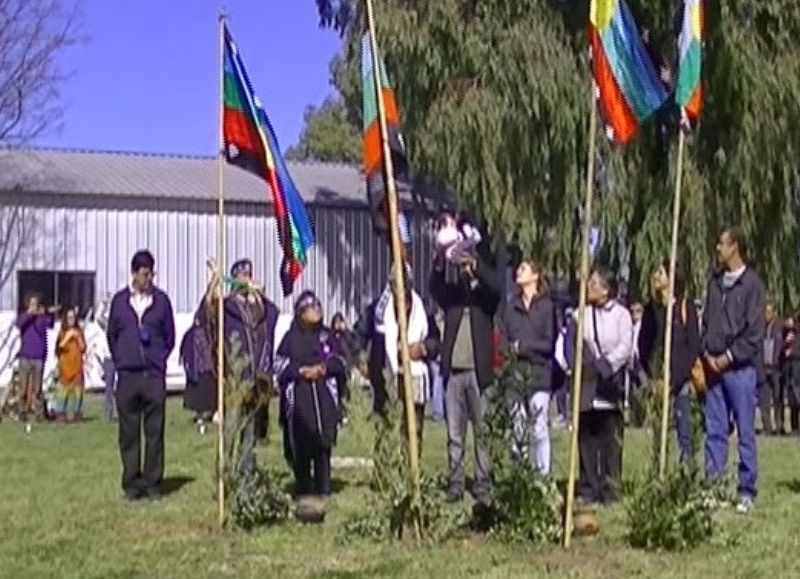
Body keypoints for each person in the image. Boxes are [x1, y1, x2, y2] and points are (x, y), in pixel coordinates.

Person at [430, 216, 500, 505]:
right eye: (459, 265)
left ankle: (483, 483)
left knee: (482, 434)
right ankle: (456, 484)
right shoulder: (453, 297)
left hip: (479, 373)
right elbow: (435, 287)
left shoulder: (486, 300)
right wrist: (439, 258)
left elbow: (496, 286)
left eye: (464, 264)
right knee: (454, 435)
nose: (461, 269)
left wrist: (476, 266)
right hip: (454, 375)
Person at [702, 227, 765, 514]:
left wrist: (729, 356)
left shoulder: (752, 285)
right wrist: (707, 352)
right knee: (715, 430)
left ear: (735, 247)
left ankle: (746, 490)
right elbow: (706, 322)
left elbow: (754, 333)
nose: (717, 248)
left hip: (740, 370)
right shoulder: (715, 284)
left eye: (722, 243)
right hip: (713, 367)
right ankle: (712, 487)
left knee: (745, 430)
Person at [108, 250, 176, 501]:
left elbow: (169, 337)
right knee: (128, 432)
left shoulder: (161, 302)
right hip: (128, 377)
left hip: (153, 377)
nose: (149, 278)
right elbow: (112, 335)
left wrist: (157, 360)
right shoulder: (119, 302)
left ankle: (153, 482)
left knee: (154, 431)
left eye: (152, 273)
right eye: (145, 274)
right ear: (135, 273)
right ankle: (132, 483)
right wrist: (123, 360)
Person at [202, 258, 279, 461]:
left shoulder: (258, 308)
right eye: (242, 276)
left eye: (248, 275)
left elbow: (273, 315)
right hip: (235, 378)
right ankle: (225, 473)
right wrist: (215, 282)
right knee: (231, 428)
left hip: (255, 380)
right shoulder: (227, 306)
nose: (247, 279)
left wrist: (260, 292)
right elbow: (208, 311)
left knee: (250, 432)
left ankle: (247, 478)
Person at [277, 291, 346, 497]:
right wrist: (300, 371)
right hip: (299, 396)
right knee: (301, 444)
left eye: (318, 305)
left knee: (323, 444)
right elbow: (279, 365)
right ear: (300, 313)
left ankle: (324, 487)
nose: (317, 309)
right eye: (311, 307)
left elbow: (340, 361)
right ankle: (303, 487)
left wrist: (324, 369)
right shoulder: (291, 338)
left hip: (323, 395)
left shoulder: (327, 335)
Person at [577, 266, 632, 506]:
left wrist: (607, 366)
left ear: (606, 289)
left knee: (610, 439)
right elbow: (574, 343)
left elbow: (625, 346)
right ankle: (589, 485)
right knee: (588, 438)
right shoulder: (582, 314)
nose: (589, 287)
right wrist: (582, 366)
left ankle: (611, 487)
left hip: (610, 385)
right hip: (588, 384)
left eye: (594, 284)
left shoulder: (621, 315)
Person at [638, 259, 702, 465]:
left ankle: (686, 474)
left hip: (680, 382)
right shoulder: (651, 311)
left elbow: (692, 347)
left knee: (685, 433)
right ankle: (657, 472)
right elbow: (643, 345)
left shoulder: (685, 308)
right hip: (657, 382)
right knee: (657, 433)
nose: (656, 276)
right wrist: (653, 377)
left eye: (661, 272)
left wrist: (673, 380)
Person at [499, 259, 556, 475]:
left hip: (539, 375)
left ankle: (543, 478)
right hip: (515, 375)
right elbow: (503, 339)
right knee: (518, 429)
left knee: (539, 428)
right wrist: (507, 351)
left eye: (523, 269)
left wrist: (523, 347)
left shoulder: (546, 307)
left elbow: (548, 343)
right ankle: (519, 477)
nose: (517, 272)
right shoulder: (511, 306)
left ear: (535, 275)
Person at [381, 269, 441, 458]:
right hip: (392, 375)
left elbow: (435, 341)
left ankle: (412, 468)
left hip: (415, 376)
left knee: (414, 427)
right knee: (391, 426)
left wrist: (423, 348)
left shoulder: (422, 308)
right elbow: (367, 336)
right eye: (394, 284)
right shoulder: (383, 310)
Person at [14, 295, 57, 427]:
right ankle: (22, 412)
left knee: (37, 389)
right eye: (32, 303)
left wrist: (50, 313)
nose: (34, 306)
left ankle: (39, 414)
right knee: (23, 388)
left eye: (36, 304)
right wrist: (31, 314)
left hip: (39, 357)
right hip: (25, 357)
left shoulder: (41, 318)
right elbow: (18, 324)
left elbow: (50, 324)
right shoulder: (24, 317)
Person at [180, 313, 215, 434]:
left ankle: (208, 415)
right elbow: (185, 351)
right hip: (198, 370)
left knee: (208, 395)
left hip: (207, 369)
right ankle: (201, 417)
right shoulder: (191, 334)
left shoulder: (210, 333)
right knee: (199, 397)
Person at [52, 308, 87, 422]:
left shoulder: (79, 331)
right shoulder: (62, 332)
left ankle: (77, 413)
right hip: (65, 367)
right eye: (69, 318)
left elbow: (83, 348)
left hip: (77, 366)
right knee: (63, 391)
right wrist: (68, 337)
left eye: (73, 317)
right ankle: (60, 413)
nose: (71, 320)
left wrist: (78, 337)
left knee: (78, 392)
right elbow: (58, 348)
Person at [759, 301, 784, 435]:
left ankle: (779, 426)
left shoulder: (779, 327)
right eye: (765, 312)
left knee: (777, 398)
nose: (766, 315)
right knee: (764, 398)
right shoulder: (761, 328)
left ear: (774, 313)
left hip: (776, 368)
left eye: (769, 312)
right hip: (764, 367)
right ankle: (767, 426)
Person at [95, 293, 117, 422]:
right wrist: (104, 303)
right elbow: (98, 317)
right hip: (109, 358)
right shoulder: (108, 326)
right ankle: (108, 414)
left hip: (121, 357)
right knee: (109, 387)